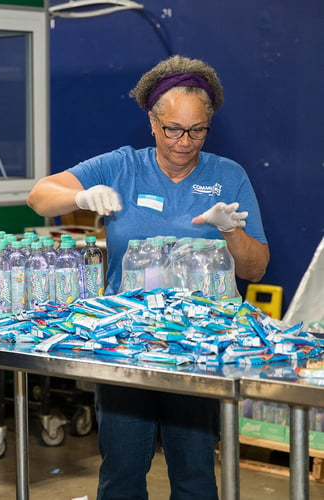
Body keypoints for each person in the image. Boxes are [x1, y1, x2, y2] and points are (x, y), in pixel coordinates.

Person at [27, 55, 269, 500]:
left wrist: (231, 230)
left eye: (197, 130)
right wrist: (80, 194)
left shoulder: (228, 177)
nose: (184, 141)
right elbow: (39, 196)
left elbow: (255, 269)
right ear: (152, 123)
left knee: (196, 473)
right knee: (121, 471)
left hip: (200, 346)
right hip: (125, 344)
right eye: (173, 129)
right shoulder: (123, 166)